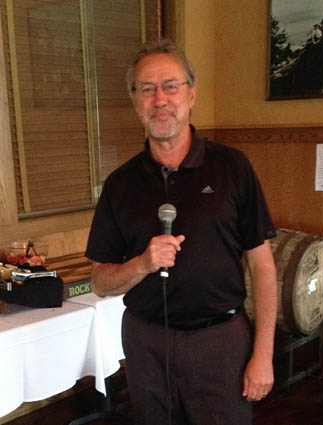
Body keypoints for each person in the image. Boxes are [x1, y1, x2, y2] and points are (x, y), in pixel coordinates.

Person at [85, 38, 278, 425]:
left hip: (219, 342)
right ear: (135, 101)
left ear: (191, 93)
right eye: (147, 89)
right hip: (146, 344)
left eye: (170, 86)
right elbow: (100, 283)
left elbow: (263, 267)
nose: (160, 99)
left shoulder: (232, 168)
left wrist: (263, 355)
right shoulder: (120, 184)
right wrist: (141, 263)